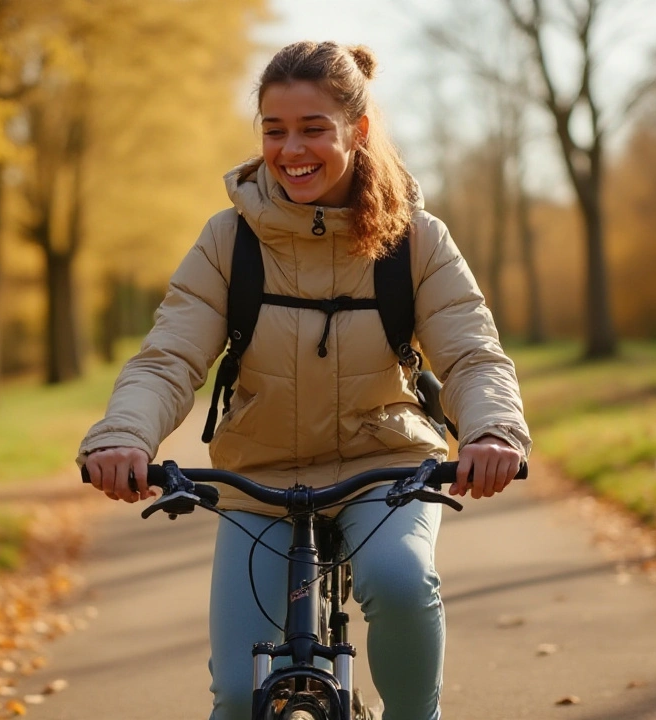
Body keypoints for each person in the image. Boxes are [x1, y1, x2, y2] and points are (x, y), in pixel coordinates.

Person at [77, 41, 531, 720]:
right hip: (260, 478)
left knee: (402, 582)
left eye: (314, 128)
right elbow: (168, 358)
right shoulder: (228, 242)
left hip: (387, 470)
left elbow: (471, 354)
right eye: (274, 130)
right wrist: (122, 436)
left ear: (358, 129)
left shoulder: (417, 240)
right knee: (238, 695)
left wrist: (492, 430)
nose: (292, 149)